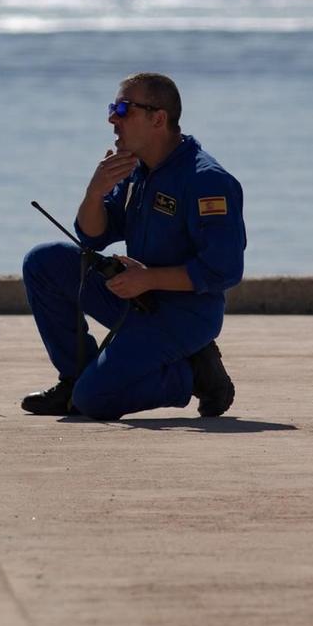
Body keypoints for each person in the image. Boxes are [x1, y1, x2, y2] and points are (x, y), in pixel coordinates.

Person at [20, 73, 245, 420]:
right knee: (43, 262)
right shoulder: (134, 169)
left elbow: (223, 269)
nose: (112, 118)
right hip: (136, 296)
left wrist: (149, 278)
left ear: (158, 119)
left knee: (94, 401)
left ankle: (195, 374)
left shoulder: (206, 181)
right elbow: (93, 236)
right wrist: (94, 192)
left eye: (124, 109)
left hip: (183, 315)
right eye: (113, 108)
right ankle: (75, 376)